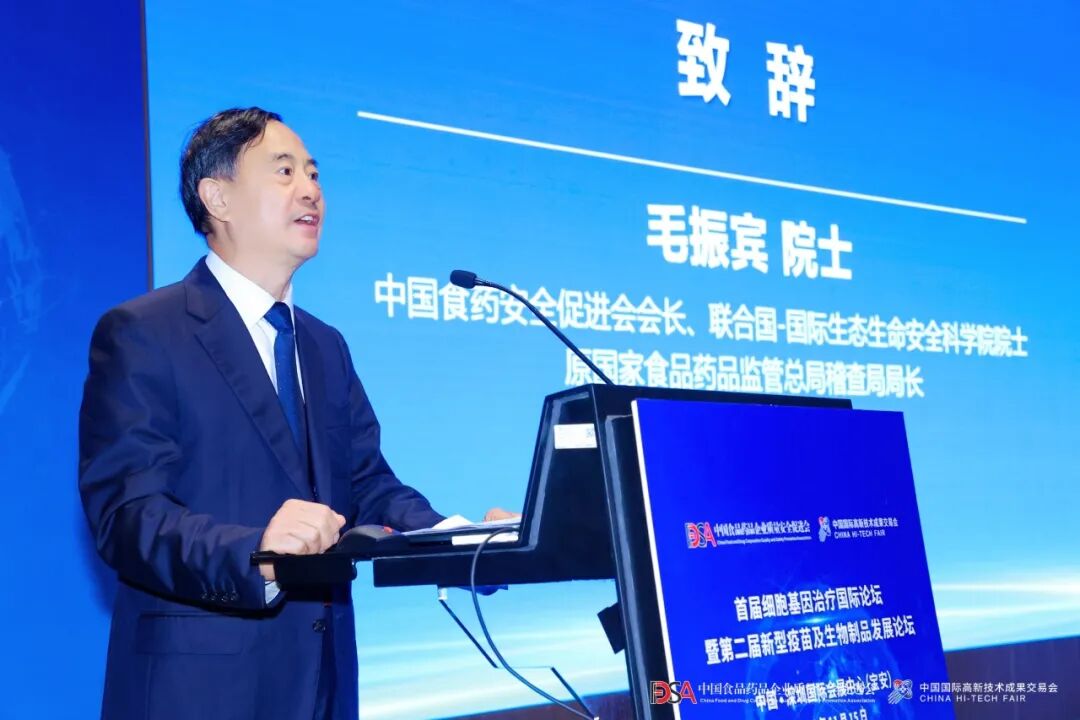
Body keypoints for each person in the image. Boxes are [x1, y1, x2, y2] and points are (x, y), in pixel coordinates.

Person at [79, 107, 514, 720]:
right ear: (217, 197)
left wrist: (461, 541)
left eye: (313, 173)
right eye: (284, 172)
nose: (310, 190)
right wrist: (257, 550)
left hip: (323, 686)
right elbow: (128, 516)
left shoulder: (323, 344)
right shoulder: (145, 332)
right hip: (200, 691)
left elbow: (367, 487)